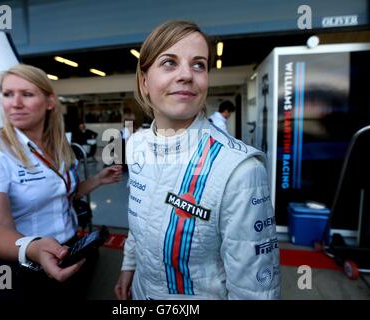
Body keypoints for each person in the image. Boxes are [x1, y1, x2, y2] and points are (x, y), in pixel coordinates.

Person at [114, 20, 280, 300]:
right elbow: (140, 219)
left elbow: (255, 291)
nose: (186, 75)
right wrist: (129, 265)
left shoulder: (240, 170)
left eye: (198, 65)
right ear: (144, 82)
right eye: (169, 62)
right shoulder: (137, 145)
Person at [0, 64, 122, 299]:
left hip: (68, 251)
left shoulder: (58, 147)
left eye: (27, 94)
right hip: (20, 266)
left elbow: (63, 195)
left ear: (50, 102)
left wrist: (98, 180)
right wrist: (32, 248)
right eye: (8, 94)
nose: (15, 103)